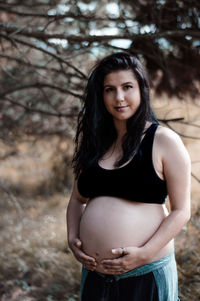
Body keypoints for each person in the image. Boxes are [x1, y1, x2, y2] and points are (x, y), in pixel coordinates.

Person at [67, 52, 191, 301]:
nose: (119, 97)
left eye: (127, 87)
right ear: (100, 96)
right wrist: (72, 237)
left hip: (145, 273)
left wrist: (144, 253)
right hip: (95, 276)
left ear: (142, 90)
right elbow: (77, 199)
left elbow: (181, 211)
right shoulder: (95, 144)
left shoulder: (163, 140)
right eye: (109, 89)